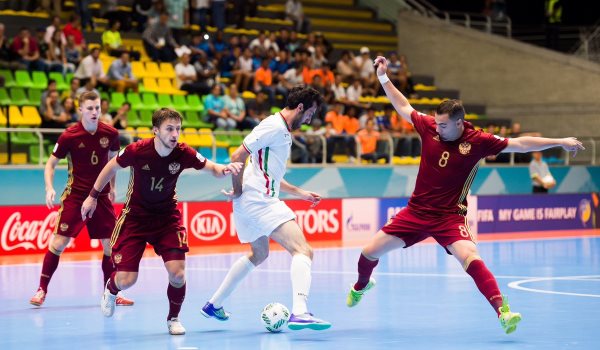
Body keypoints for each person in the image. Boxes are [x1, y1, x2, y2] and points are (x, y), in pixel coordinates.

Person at [346, 56, 585, 335]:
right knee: (367, 252)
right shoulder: (429, 127)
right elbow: (403, 106)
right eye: (436, 123)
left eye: (444, 125)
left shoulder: (479, 141)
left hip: (449, 217)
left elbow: (520, 143)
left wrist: (559, 142)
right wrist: (384, 78)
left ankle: (503, 312)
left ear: (460, 123)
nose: (438, 128)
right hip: (416, 212)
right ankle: (362, 286)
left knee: (470, 256)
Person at [81, 108, 242, 335]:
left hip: (166, 218)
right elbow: (110, 167)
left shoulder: (184, 152)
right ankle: (112, 288)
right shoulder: (137, 150)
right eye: (169, 129)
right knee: (127, 280)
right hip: (135, 218)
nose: (175, 134)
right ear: (156, 131)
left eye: (178, 129)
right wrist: (92, 196)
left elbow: (213, 168)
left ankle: (173, 318)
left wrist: (225, 169)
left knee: (177, 274)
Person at [200, 86, 331, 331]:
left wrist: (300, 193)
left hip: (250, 201)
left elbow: (269, 174)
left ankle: (213, 304)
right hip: (259, 201)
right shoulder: (272, 126)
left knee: (259, 253)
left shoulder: (282, 131)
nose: (310, 120)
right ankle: (300, 312)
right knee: (303, 250)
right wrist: (238, 190)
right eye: (310, 113)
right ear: (300, 107)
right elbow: (237, 155)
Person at [29, 91, 134, 308]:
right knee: (59, 243)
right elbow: (50, 164)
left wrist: (112, 188)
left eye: (97, 108)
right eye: (90, 108)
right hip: (76, 196)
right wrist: (49, 187)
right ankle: (41, 290)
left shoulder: (111, 133)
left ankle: (111, 293)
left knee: (110, 246)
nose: (95, 112)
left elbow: (113, 163)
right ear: (80, 110)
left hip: (101, 197)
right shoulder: (69, 136)